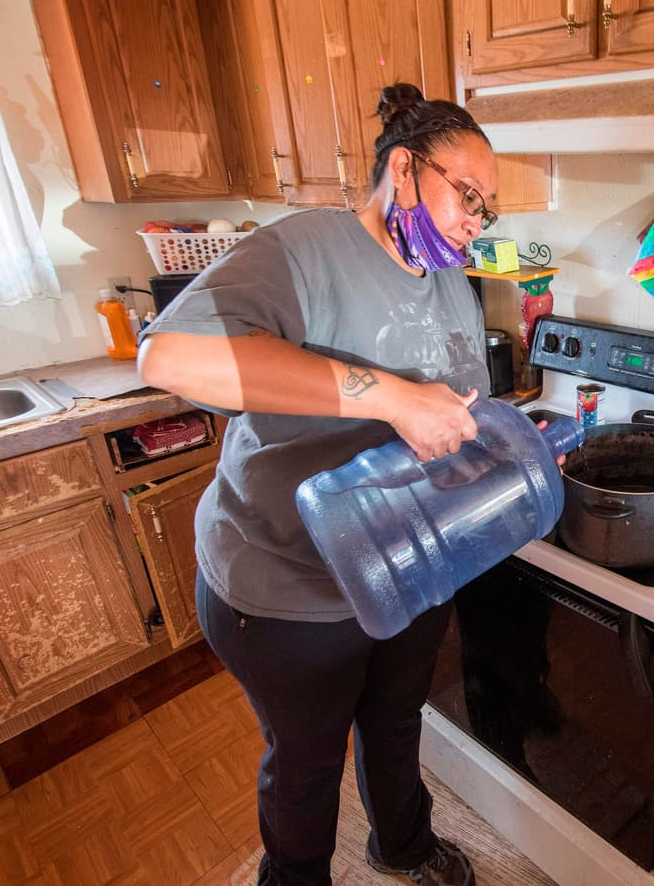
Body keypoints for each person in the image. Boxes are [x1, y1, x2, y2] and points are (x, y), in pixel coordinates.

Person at [137, 82, 500, 886]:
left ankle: (401, 844)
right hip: (287, 585)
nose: (475, 220)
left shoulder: (452, 284)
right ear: (403, 170)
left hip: (404, 566)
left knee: (396, 721)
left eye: (487, 208)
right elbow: (167, 357)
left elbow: (460, 408)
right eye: (464, 194)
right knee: (306, 764)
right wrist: (392, 396)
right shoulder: (302, 248)